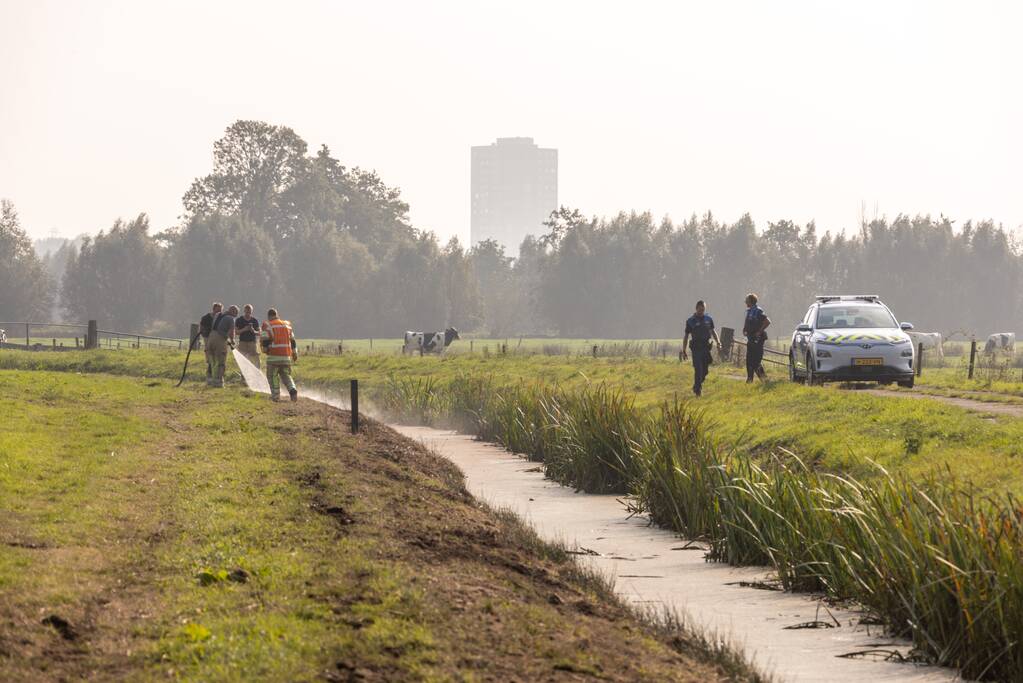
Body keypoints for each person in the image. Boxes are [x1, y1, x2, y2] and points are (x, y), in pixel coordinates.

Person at [682, 300, 720, 397]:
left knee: (705, 371)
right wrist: (684, 350)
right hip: (696, 348)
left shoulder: (709, 319)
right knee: (698, 369)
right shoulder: (690, 321)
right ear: (696, 308)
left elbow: (713, 331)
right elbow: (686, 336)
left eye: (703, 310)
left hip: (706, 348)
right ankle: (698, 391)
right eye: (700, 309)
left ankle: (696, 385)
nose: (701, 311)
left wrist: (718, 342)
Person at [260, 308, 298, 402]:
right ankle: (293, 391)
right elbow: (293, 341)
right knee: (286, 375)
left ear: (269, 316)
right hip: (286, 357)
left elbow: (265, 339)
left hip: (273, 356)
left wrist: (265, 349)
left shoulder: (268, 325)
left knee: (272, 376)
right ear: (277, 315)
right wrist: (294, 352)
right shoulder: (287, 325)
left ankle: (276, 396)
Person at [207, 304, 238, 388]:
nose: (236, 316)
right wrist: (232, 341)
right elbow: (232, 332)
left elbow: (217, 327)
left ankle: (209, 380)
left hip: (211, 337)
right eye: (236, 313)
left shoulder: (218, 314)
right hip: (219, 340)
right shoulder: (231, 318)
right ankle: (218, 382)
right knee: (221, 361)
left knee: (212, 360)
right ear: (233, 311)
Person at [743, 293, 771, 383]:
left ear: (751, 301)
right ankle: (749, 379)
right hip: (750, 339)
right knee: (748, 360)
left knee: (755, 361)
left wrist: (759, 331)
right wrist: (744, 329)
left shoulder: (758, 311)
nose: (745, 302)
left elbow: (767, 321)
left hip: (757, 340)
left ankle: (764, 380)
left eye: (746, 300)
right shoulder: (749, 311)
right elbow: (748, 323)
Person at [198, 302, 222, 382]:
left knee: (216, 356)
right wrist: (204, 335)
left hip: (217, 338)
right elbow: (201, 327)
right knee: (210, 356)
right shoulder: (206, 317)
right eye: (218, 309)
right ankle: (209, 375)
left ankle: (215, 376)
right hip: (208, 337)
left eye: (220, 309)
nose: (219, 311)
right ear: (213, 309)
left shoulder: (221, 318)